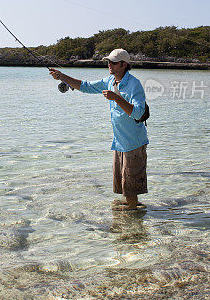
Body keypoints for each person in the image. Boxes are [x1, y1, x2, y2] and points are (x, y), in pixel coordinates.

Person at [49, 49, 148, 209]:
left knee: (131, 184)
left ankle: (132, 210)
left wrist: (116, 98)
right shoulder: (109, 81)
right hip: (120, 142)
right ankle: (131, 206)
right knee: (123, 184)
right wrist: (62, 76)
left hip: (134, 142)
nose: (110, 64)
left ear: (124, 64)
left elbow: (138, 113)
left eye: (114, 62)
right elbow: (85, 86)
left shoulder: (134, 84)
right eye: (108, 61)